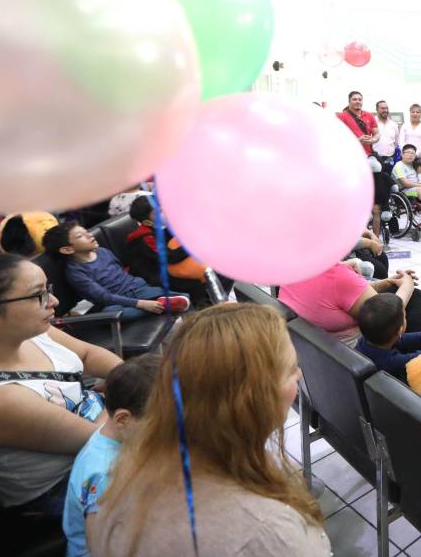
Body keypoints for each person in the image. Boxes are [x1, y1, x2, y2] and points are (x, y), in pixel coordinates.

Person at [91, 304, 331, 556]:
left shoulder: (129, 471)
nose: (299, 375)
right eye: (291, 369)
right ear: (251, 397)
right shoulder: (267, 534)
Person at [0, 254, 121, 515]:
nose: (54, 301)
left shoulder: (21, 330)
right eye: (38, 295)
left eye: (48, 289)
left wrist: (124, 379)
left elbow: (88, 355)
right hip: (70, 486)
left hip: (107, 424)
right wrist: (125, 389)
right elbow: (101, 441)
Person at [62, 354, 160, 557]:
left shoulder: (116, 436)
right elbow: (103, 549)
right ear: (123, 419)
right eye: (160, 425)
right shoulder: (107, 475)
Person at [43, 222, 190, 321]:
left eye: (86, 232)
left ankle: (160, 304)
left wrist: (141, 298)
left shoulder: (103, 252)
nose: (89, 235)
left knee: (185, 298)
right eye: (80, 236)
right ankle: (160, 304)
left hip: (137, 289)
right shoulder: (75, 272)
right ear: (67, 249)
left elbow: (121, 272)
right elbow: (104, 297)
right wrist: (141, 304)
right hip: (113, 301)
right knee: (113, 313)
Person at [278, 262, 421, 347]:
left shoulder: (292, 266)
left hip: (310, 350)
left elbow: (347, 295)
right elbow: (386, 316)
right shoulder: (336, 275)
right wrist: (407, 285)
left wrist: (388, 282)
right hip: (352, 353)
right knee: (419, 302)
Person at [124, 197, 209, 305]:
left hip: (167, 267)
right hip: (152, 275)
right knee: (194, 283)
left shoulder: (160, 227)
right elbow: (169, 257)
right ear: (147, 222)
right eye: (158, 212)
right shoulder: (145, 237)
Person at [336, 90, 387, 234]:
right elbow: (338, 137)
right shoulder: (342, 117)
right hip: (352, 159)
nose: (357, 101)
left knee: (378, 176)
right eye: (354, 99)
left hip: (369, 157)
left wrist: (373, 139)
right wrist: (356, 141)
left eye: (359, 99)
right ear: (349, 101)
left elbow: (377, 133)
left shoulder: (369, 115)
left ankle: (381, 208)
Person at [354, 293, 421, 381]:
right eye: (405, 316)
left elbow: (404, 339)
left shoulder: (366, 339)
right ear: (400, 330)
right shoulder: (392, 362)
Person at [371, 99, 400, 164]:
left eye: (387, 108)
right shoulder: (372, 122)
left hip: (390, 158)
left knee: (390, 174)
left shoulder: (394, 124)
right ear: (377, 109)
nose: (385, 110)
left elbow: (397, 141)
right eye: (382, 108)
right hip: (375, 158)